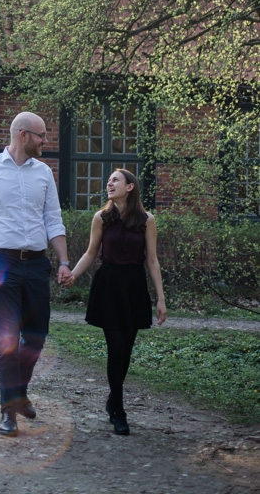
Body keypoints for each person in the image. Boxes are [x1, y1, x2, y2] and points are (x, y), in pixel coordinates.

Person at [0, 111, 71, 437]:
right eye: (41, 135)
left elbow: (53, 219)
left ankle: (19, 389)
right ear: (23, 135)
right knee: (7, 340)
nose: (45, 141)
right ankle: (9, 409)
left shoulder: (44, 174)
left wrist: (64, 260)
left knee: (36, 336)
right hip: (1, 265)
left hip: (37, 264)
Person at [65, 168, 167, 435]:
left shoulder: (147, 220)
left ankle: (112, 400)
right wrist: (73, 275)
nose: (109, 183)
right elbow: (90, 253)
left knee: (127, 350)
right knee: (116, 347)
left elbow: (152, 260)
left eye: (115, 180)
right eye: (109, 180)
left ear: (130, 187)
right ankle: (119, 411)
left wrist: (161, 299)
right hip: (108, 285)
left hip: (134, 286)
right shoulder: (101, 218)